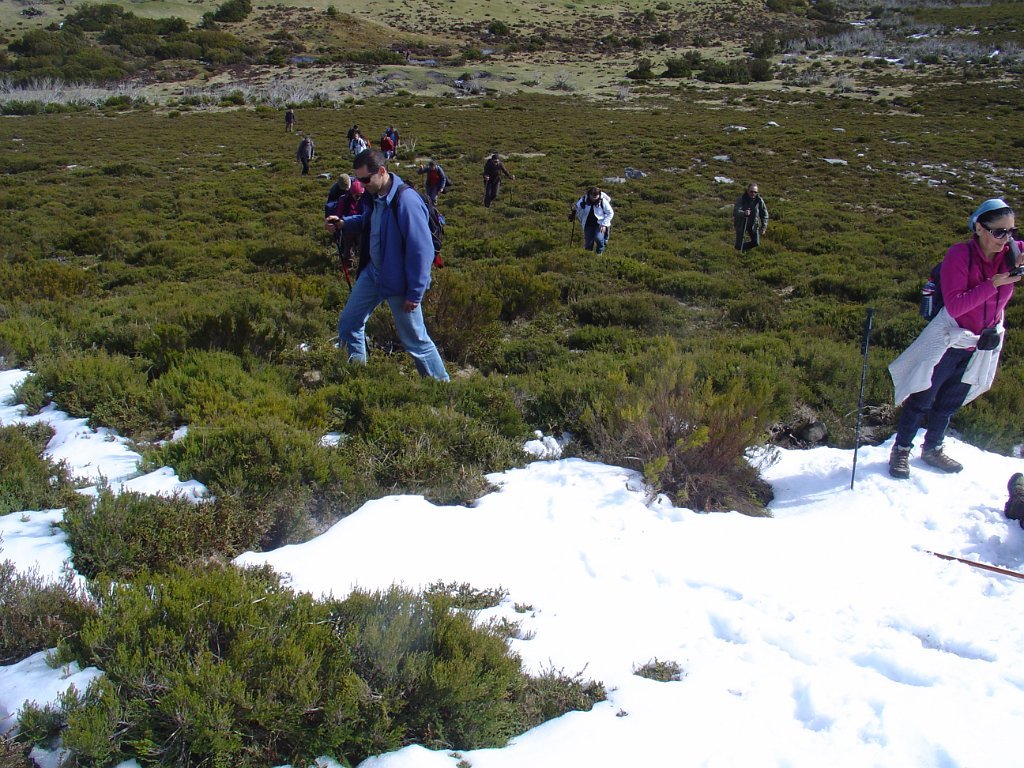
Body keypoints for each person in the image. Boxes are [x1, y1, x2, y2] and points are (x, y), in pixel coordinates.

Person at [887, 198, 1022, 479]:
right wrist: (994, 283)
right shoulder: (959, 256)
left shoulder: (1010, 252)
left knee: (951, 400)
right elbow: (956, 306)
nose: (1006, 239)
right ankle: (901, 449)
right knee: (923, 395)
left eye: (1012, 231)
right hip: (950, 339)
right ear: (979, 228)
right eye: (1000, 232)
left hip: (981, 343)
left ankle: (933, 448)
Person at [333, 148, 449, 381]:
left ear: (382, 171)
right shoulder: (375, 195)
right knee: (349, 324)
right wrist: (344, 223)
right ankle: (356, 379)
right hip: (373, 273)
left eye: (365, 179)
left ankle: (442, 389)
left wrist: (415, 293)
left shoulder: (406, 201)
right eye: (358, 180)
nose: (362, 185)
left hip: (399, 281)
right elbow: (369, 222)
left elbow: (422, 250)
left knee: (415, 341)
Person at [325, 179, 364, 269]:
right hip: (347, 228)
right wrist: (336, 222)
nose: (359, 197)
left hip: (360, 227)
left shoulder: (364, 200)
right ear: (352, 193)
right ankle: (348, 264)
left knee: (362, 246)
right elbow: (339, 213)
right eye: (357, 195)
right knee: (347, 247)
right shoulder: (343, 199)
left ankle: (364, 265)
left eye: (361, 195)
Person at [570, 187, 614, 254]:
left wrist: (604, 224)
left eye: (596, 197)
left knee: (598, 238)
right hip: (588, 223)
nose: (594, 199)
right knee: (588, 242)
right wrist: (573, 213)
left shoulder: (603, 201)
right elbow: (576, 207)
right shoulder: (584, 199)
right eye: (592, 196)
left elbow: (610, 213)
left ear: (599, 195)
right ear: (589, 194)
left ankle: (600, 252)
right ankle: (588, 255)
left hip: (600, 223)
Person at [733, 182, 768, 252]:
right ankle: (740, 251)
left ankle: (742, 249)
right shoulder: (742, 199)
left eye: (755, 192)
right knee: (739, 245)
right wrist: (744, 213)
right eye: (751, 191)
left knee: (756, 243)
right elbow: (736, 211)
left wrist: (764, 227)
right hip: (741, 223)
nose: (753, 193)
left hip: (753, 224)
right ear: (747, 191)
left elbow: (764, 214)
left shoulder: (759, 200)